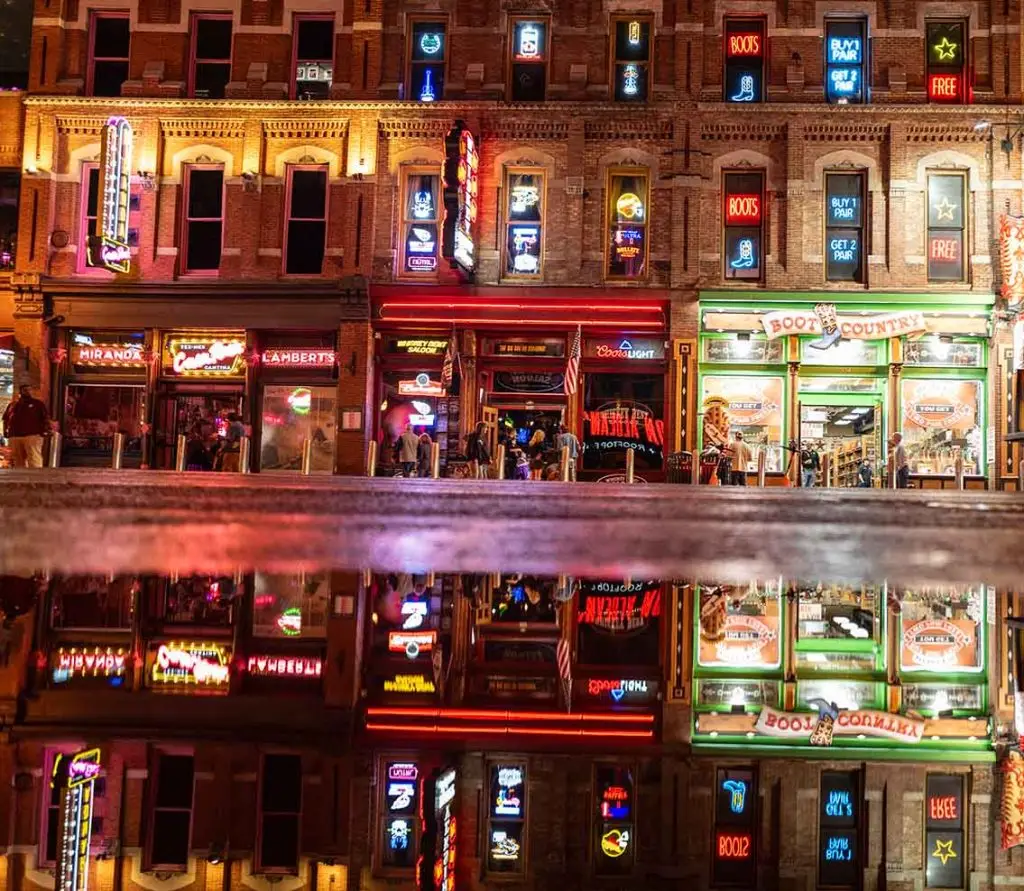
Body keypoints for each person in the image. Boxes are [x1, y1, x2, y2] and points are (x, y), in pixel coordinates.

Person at [2, 385, 51, 468]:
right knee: (17, 460)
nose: (28, 391)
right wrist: (5, 431)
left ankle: (37, 479)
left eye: (29, 389)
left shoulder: (38, 404)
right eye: (25, 390)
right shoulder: (13, 405)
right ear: (20, 392)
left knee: (34, 459)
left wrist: (45, 431)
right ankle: (20, 479)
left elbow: (45, 418)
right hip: (15, 436)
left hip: (33, 435)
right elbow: (6, 419)